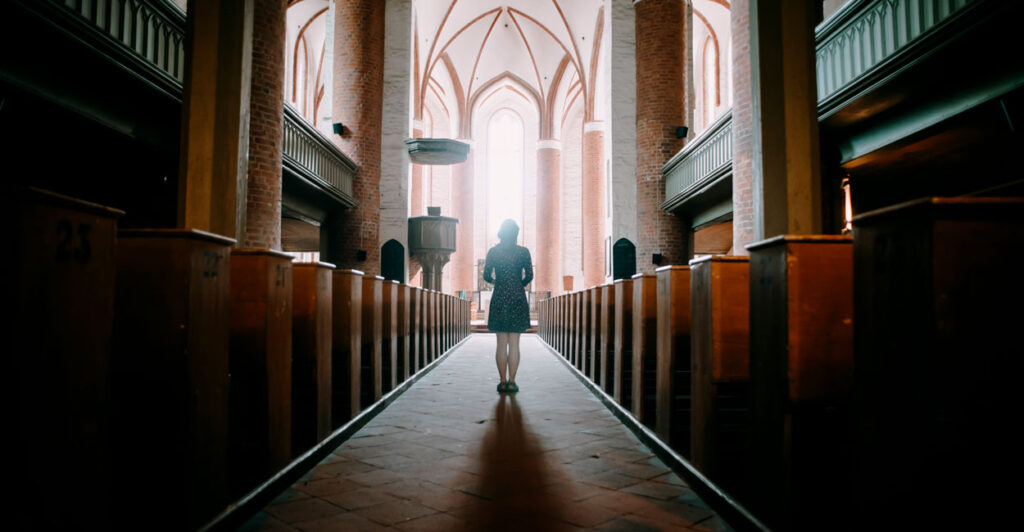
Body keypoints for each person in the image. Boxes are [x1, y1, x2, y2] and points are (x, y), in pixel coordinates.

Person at [483, 219, 533, 393]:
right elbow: (530, 275)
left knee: (501, 342)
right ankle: (512, 381)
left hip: (500, 296)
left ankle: (502, 380)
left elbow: (486, 276)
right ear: (516, 233)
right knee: (515, 342)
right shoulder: (523, 252)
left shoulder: (493, 252)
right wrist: (519, 283)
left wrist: (498, 281)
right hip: (517, 297)